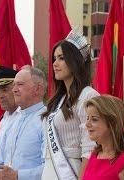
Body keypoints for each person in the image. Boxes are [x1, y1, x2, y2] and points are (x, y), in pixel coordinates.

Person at [41, 30, 99, 180]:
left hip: (71, 170)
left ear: (75, 61)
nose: (55, 63)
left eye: (61, 58)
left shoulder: (88, 95)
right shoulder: (58, 100)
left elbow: (90, 147)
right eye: (54, 58)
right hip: (49, 169)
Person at [0, 65, 47, 180]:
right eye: (14, 85)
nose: (14, 89)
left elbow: (52, 167)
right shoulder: (12, 120)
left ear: (37, 89)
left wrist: (17, 175)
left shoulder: (47, 119)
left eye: (20, 84)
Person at [82, 95, 124, 180]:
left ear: (113, 123)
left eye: (94, 119)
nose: (87, 124)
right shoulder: (94, 155)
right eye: (87, 118)